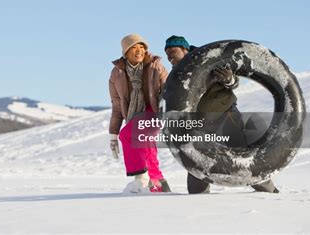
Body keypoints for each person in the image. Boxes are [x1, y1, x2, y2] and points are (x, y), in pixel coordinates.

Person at [164, 35, 279, 194]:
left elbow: (234, 81)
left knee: (243, 155)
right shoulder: (175, 76)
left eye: (172, 50)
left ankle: (269, 191)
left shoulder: (208, 59)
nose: (169, 55)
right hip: (200, 124)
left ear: (184, 49)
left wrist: (230, 79)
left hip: (226, 115)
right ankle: (198, 199)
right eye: (167, 53)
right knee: (197, 159)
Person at [108, 34, 171, 193]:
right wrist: (113, 134)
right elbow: (117, 105)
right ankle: (158, 182)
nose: (139, 51)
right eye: (134, 47)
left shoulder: (156, 67)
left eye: (142, 47)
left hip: (156, 110)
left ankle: (142, 177)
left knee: (128, 134)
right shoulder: (117, 74)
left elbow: (171, 92)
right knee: (145, 144)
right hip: (134, 114)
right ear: (125, 52)